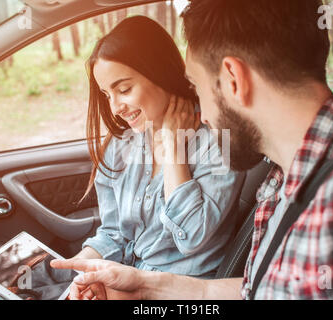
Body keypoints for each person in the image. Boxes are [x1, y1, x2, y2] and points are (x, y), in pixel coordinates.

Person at [52, 0, 333, 299]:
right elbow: (260, 289)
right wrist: (146, 288)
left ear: (233, 79)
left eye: (196, 86)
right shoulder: (283, 178)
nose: (198, 109)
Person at [51, 15, 244, 289]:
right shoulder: (121, 144)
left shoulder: (216, 140)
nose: (116, 106)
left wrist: (174, 150)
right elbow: (114, 234)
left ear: (160, 73)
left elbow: (191, 236)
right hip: (128, 281)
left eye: (124, 89)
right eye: (107, 95)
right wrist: (82, 270)